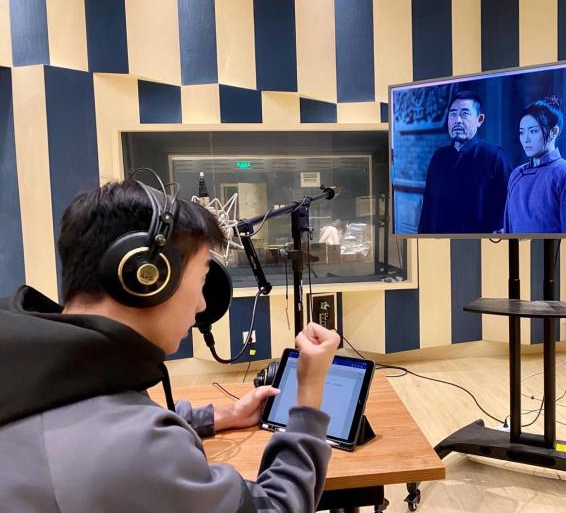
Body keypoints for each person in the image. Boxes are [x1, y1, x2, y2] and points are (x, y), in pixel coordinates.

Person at [0, 179, 340, 512]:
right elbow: (277, 506)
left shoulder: (34, 371)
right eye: (202, 279)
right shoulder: (137, 449)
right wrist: (308, 394)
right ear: (148, 277)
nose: (202, 305)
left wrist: (221, 416)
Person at [418, 90, 511, 234]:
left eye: (465, 114)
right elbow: (427, 208)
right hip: (439, 243)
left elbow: (509, 208)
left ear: (479, 120)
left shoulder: (495, 157)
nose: (457, 120)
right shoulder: (439, 156)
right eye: (453, 114)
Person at [504, 97, 566, 233]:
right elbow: (508, 229)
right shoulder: (516, 175)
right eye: (522, 132)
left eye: (533, 131)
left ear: (554, 132)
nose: (526, 139)